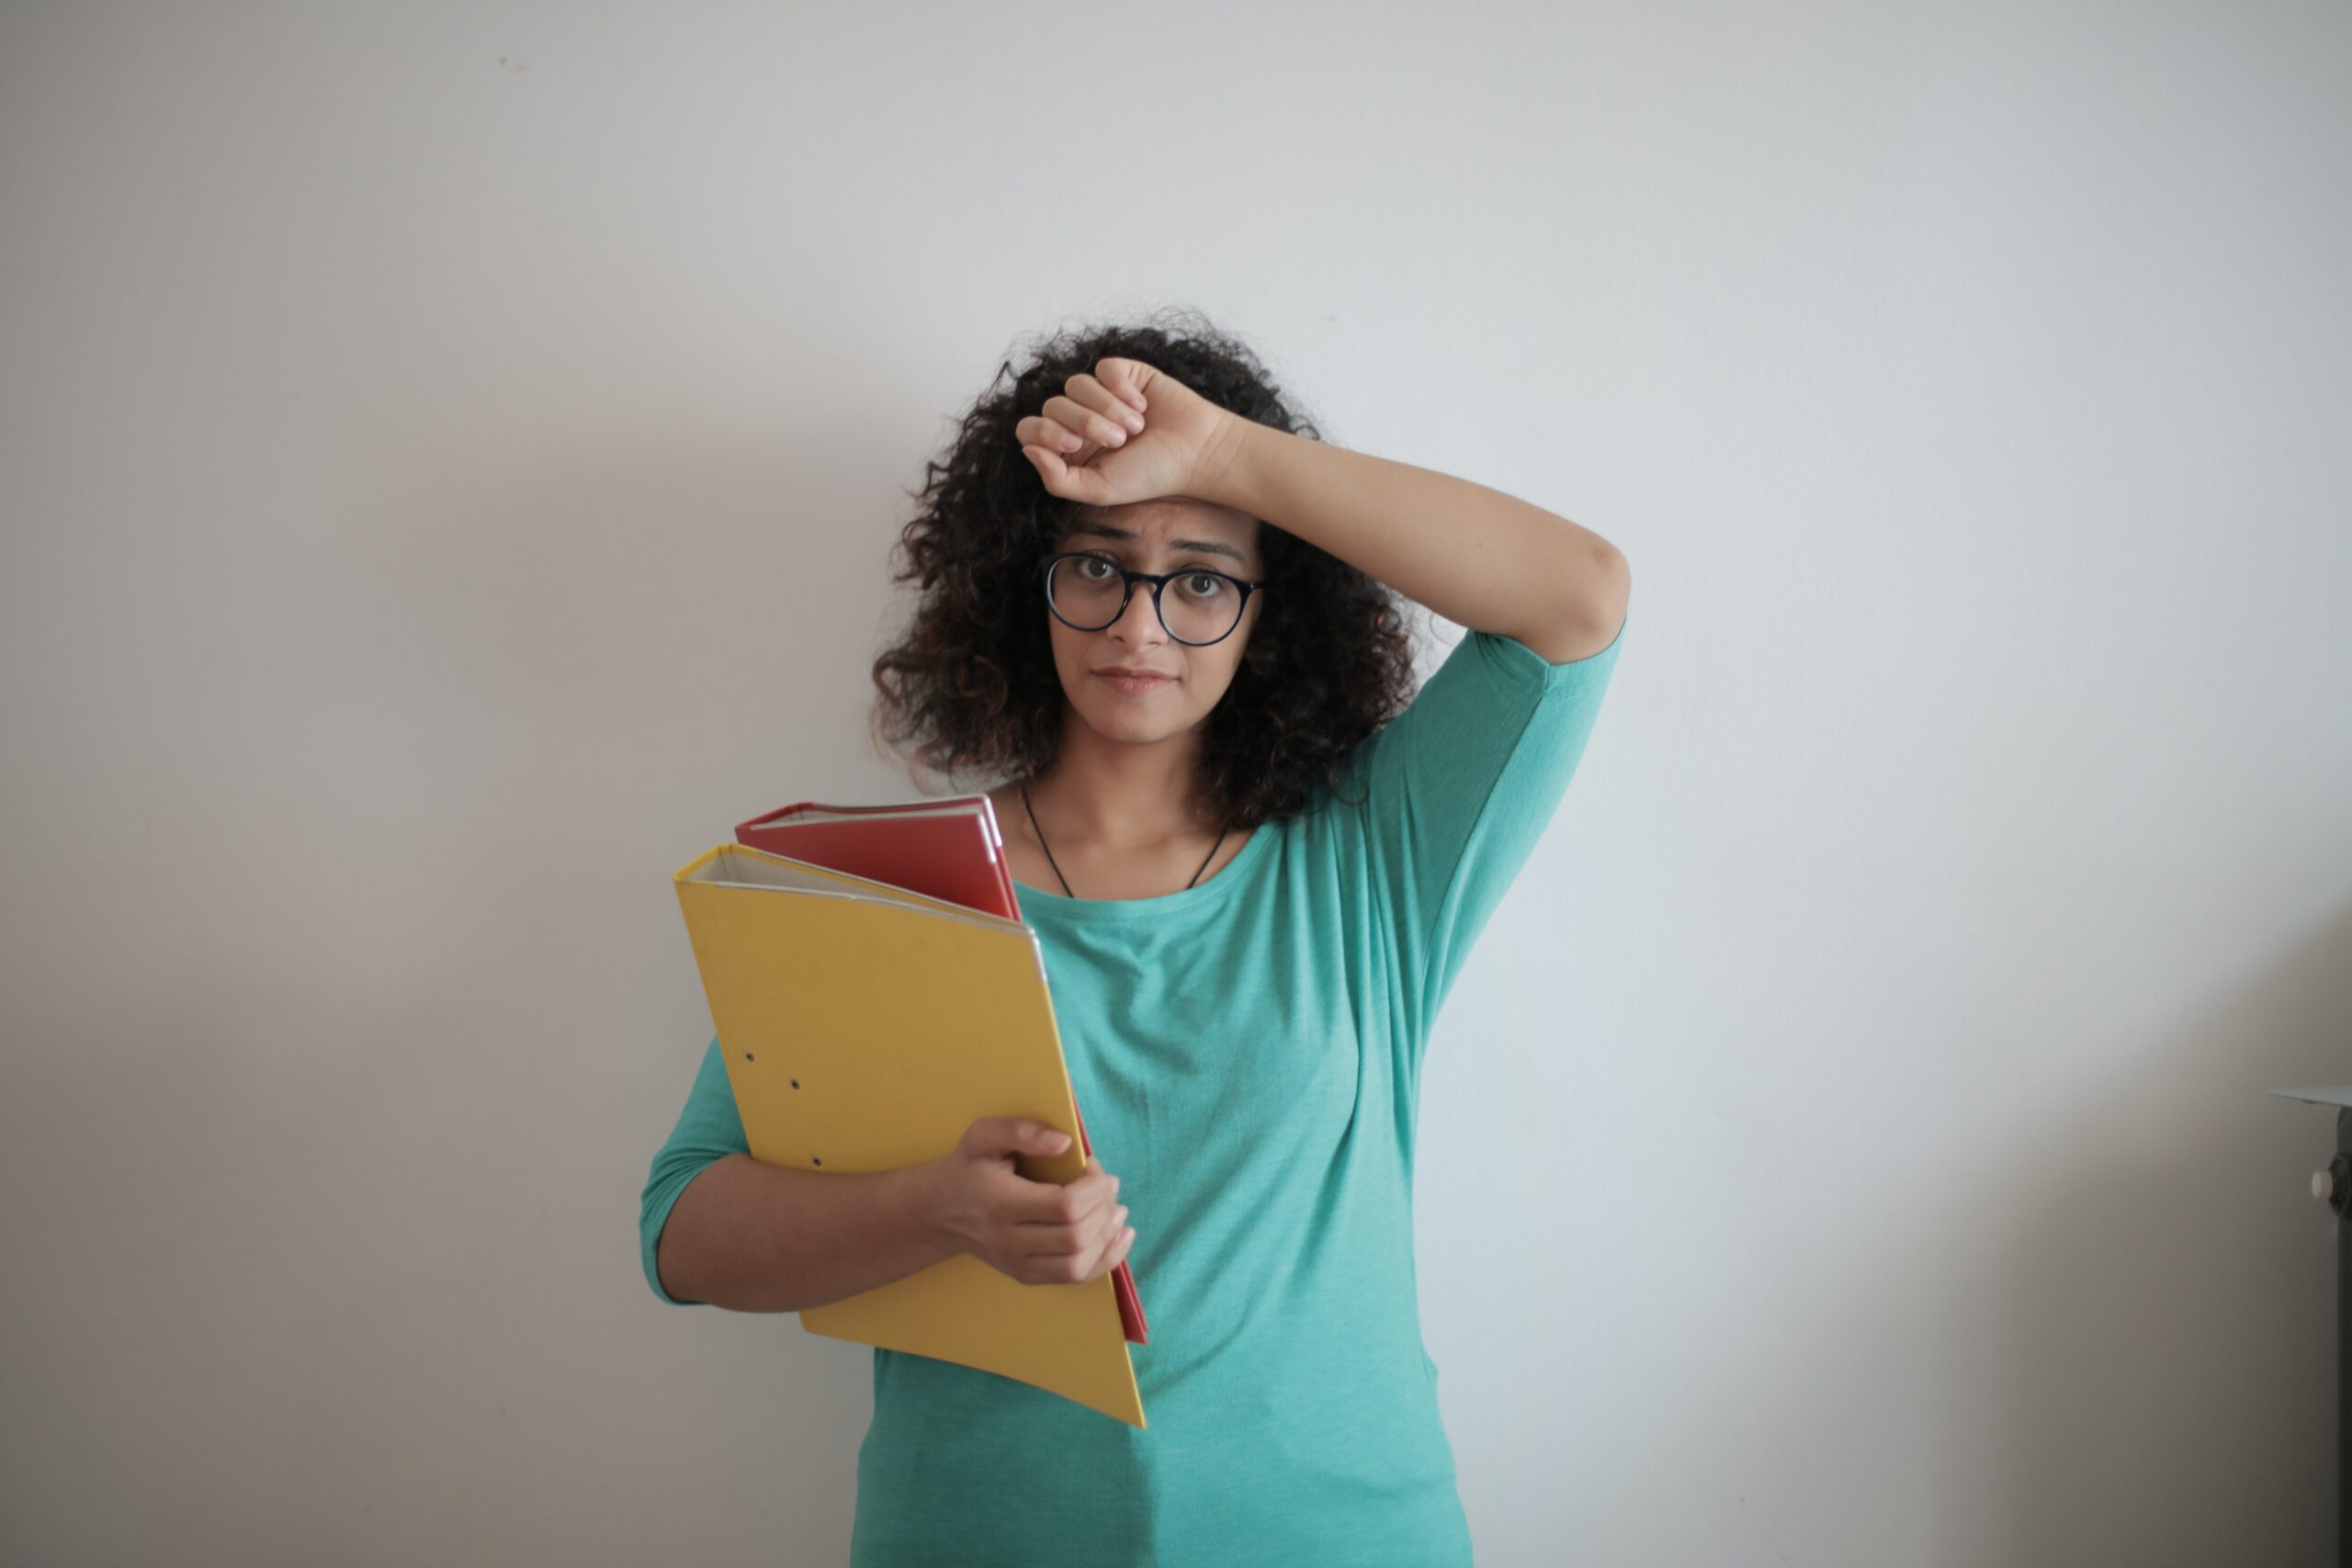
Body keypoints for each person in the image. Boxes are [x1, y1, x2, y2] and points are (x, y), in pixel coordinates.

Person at [639, 309, 1630, 1566]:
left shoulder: (1374, 855)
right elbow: (682, 1233)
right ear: (1025, 583)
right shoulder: (891, 890)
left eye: (1204, 576)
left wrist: (1219, 454)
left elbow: (1579, 600)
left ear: (1271, 610)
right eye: (1097, 564)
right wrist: (936, 1212)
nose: (1139, 625)